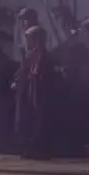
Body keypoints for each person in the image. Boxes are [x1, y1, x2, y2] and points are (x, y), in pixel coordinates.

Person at [14, 26, 58, 160]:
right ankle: (30, 148)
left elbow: (45, 74)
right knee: (28, 119)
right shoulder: (28, 55)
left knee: (40, 120)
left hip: (40, 91)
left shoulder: (46, 56)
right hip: (28, 91)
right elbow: (22, 71)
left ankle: (41, 149)